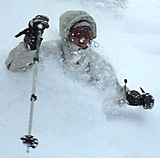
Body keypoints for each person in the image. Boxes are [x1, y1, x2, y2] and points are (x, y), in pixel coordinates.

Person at [5, 10, 155, 110]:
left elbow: (111, 89)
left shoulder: (95, 61)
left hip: (77, 122)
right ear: (67, 33)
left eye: (87, 34)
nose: (82, 39)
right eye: (77, 33)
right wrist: (30, 46)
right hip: (47, 114)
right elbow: (14, 66)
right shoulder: (50, 50)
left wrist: (132, 97)